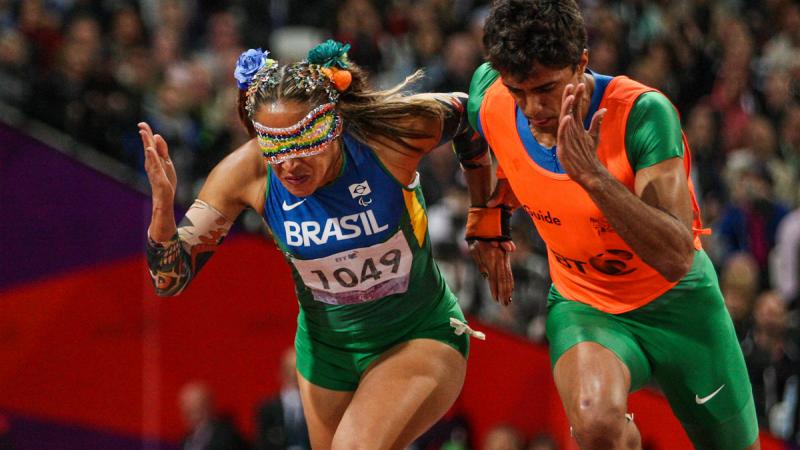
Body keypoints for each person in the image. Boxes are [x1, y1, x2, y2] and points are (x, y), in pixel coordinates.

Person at [142, 40, 500, 450]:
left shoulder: (388, 136)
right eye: (276, 147)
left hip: (417, 333)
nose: (290, 165)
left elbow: (471, 114)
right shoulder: (248, 172)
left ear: (334, 125)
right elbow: (169, 278)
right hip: (326, 355)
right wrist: (162, 213)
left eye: (306, 142)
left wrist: (487, 215)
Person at [464, 1, 759, 449]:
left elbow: (677, 255)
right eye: (518, 91)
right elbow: (468, 130)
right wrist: (488, 215)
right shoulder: (492, 96)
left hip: (679, 305)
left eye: (546, 88)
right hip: (586, 303)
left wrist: (593, 178)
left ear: (581, 63)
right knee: (596, 425)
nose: (532, 108)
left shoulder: (643, 113)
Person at [254, 348, 310, 450]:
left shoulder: (314, 407)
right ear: (281, 372)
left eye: (299, 369)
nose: (294, 374)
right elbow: (261, 442)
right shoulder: (268, 408)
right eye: (290, 369)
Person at [178, 381, 249, 450]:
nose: (188, 415)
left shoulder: (226, 437)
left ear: (209, 407)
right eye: (185, 409)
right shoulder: (187, 440)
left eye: (194, 409)